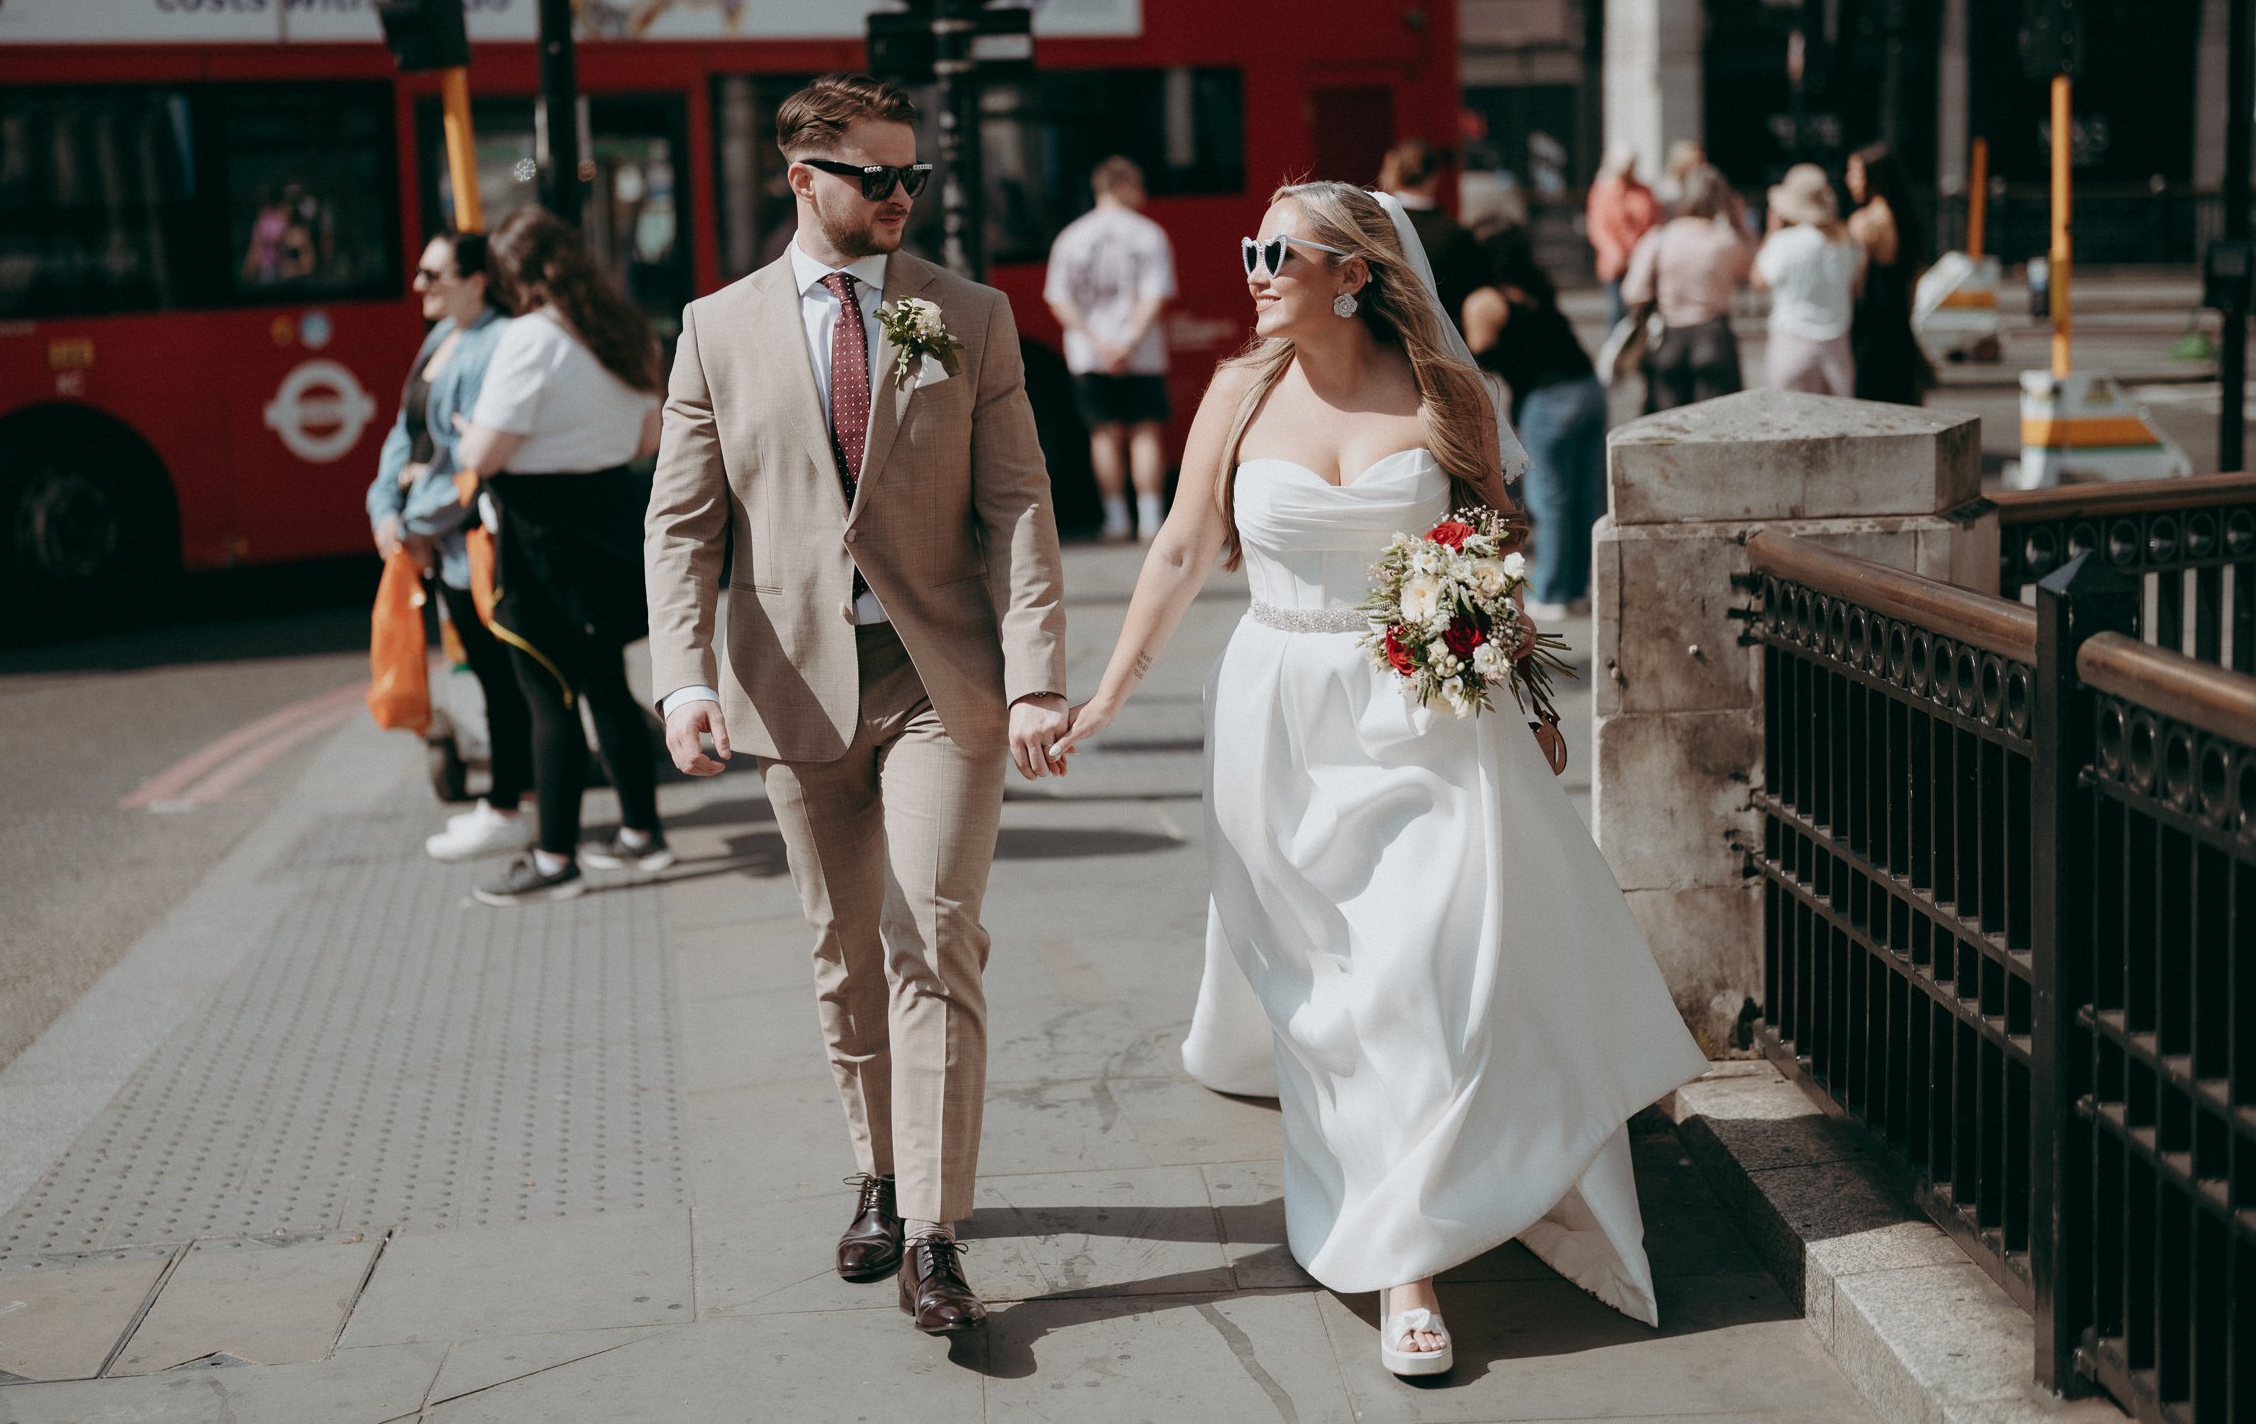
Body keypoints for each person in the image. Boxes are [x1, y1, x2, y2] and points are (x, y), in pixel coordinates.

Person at [1047, 181, 1706, 1378]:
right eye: (1251, 247)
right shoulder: (1240, 388)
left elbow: (1495, 530)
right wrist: (1102, 695)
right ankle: (1401, 1179)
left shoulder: (1449, 388)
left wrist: (1491, 641)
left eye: (1277, 251)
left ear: (1351, 272)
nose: (1252, 267)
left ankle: (1407, 1261)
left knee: (1421, 964)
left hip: (1427, 709)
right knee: (1340, 988)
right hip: (1281, 711)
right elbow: (1185, 544)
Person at [644, 74, 1069, 1337]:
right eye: (875, 176)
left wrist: (1039, 669)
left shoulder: (969, 315)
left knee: (934, 935)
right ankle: (877, 1176)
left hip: (940, 675)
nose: (899, 198)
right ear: (804, 179)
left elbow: (1021, 504)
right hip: (791, 685)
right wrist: (682, 677)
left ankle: (936, 1230)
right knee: (843, 953)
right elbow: (682, 522)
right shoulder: (715, 328)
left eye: (913, 177)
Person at [458, 208, 670, 904]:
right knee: (606, 678)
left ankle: (554, 858)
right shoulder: (620, 328)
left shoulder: (530, 338)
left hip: (540, 530)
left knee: (548, 693)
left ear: (511, 274)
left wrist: (471, 435)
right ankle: (642, 833)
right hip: (610, 519)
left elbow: (483, 454)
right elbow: (647, 437)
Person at [366, 231, 534, 863]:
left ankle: (507, 807)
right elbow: (403, 436)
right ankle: (504, 806)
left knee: (499, 677)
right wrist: (385, 509)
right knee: (487, 673)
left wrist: (417, 525)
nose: (419, 286)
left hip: (469, 542)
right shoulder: (442, 339)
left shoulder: (494, 344)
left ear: (475, 281)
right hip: (435, 538)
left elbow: (472, 464)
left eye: (432, 275)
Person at [1465, 223, 1605, 619]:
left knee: (1550, 498)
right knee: (1582, 496)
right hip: (1588, 388)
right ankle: (1576, 587)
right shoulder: (1535, 290)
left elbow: (1473, 358)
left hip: (1548, 400)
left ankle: (1554, 591)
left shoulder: (1486, 301)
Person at [1043, 156, 1178, 541]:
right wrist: (1129, 342)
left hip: (1089, 354)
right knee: (1145, 432)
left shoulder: (1071, 236)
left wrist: (1097, 343)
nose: (1144, 195)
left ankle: (1116, 518)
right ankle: (1150, 517)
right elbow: (1156, 295)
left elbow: (1060, 299)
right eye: (1138, 186)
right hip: (1143, 352)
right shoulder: (1149, 234)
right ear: (1122, 186)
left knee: (1104, 434)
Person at [1621, 165, 1754, 412]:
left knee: (1668, 429)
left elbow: (1633, 292)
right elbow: (1752, 270)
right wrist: (1741, 224)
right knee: (1717, 428)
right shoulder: (1725, 240)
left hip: (1670, 339)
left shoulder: (1659, 238)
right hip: (1714, 337)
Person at [1753, 163, 1866, 396]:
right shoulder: (1848, 244)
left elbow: (1759, 280)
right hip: (1836, 344)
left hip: (1791, 339)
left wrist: (1771, 233)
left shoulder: (1784, 242)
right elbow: (1856, 284)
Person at [1845, 142, 1935, 405]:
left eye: (1855, 173)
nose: (1849, 181)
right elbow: (1914, 281)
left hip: (1870, 330)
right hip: (1900, 326)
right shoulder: (1908, 219)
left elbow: (1855, 281)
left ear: (1874, 177)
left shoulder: (1865, 222)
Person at [1377, 138, 1491, 321]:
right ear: (1434, 176)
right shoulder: (1457, 235)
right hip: (1443, 337)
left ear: (1392, 172)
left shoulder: (1377, 226)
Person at [1584, 143, 1658, 327]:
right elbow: (1597, 227)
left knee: (1642, 312)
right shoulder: (1604, 190)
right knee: (1618, 311)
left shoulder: (1643, 191)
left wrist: (1646, 252)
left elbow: (1653, 223)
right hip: (1616, 263)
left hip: (1641, 259)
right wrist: (1614, 252)